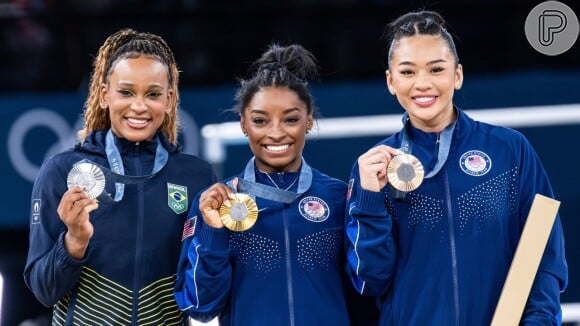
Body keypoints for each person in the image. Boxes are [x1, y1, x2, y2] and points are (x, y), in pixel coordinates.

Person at [345, 10, 568, 325]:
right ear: (390, 81)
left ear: (457, 75)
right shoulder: (373, 169)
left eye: (436, 69)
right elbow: (371, 281)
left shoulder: (511, 150)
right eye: (407, 72)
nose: (423, 83)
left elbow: (542, 253)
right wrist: (369, 200)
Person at [24, 28, 216, 325]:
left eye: (152, 94)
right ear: (104, 95)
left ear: (168, 100)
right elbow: (43, 290)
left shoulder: (196, 176)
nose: (138, 106)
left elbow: (205, 295)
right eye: (126, 92)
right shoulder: (61, 172)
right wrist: (74, 241)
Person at [174, 43, 376, 325]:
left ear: (309, 120)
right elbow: (201, 306)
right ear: (244, 124)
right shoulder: (217, 204)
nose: (276, 133)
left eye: (291, 119)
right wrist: (213, 234)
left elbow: (368, 292)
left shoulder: (339, 197)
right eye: (260, 120)